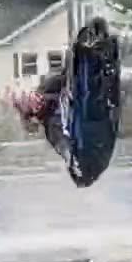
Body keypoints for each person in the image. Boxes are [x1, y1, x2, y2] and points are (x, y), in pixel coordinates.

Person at [15, 16, 122, 188]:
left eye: (32, 97)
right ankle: (95, 58)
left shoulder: (48, 87)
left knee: (83, 89)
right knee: (86, 105)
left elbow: (67, 75)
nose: (35, 99)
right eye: (31, 104)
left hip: (86, 103)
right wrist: (73, 163)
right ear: (34, 114)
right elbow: (63, 146)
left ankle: (96, 54)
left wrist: (77, 54)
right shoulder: (52, 127)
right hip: (90, 142)